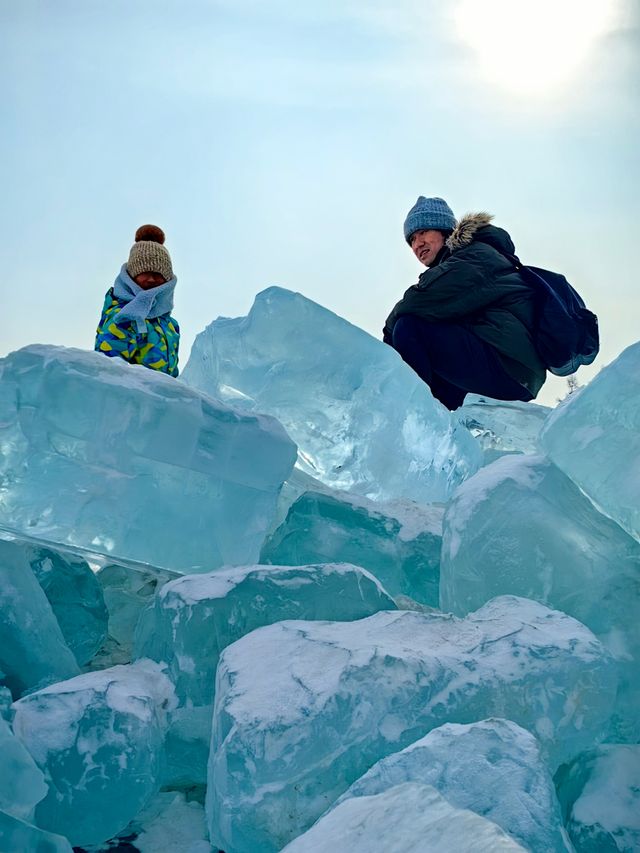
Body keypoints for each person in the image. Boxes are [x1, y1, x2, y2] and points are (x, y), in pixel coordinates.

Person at [383, 196, 546, 410]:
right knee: (432, 366)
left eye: (423, 232)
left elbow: (418, 301)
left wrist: (383, 350)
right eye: (412, 239)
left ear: (444, 230)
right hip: (503, 365)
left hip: (508, 365)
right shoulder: (462, 261)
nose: (417, 244)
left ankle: (408, 415)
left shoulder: (474, 256)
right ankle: (438, 428)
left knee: (408, 327)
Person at [95, 224, 180, 376]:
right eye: (144, 272)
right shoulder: (123, 316)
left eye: (158, 274)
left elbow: (172, 375)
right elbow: (106, 373)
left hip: (159, 399)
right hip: (131, 398)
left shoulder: (171, 325)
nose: (152, 279)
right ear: (131, 276)